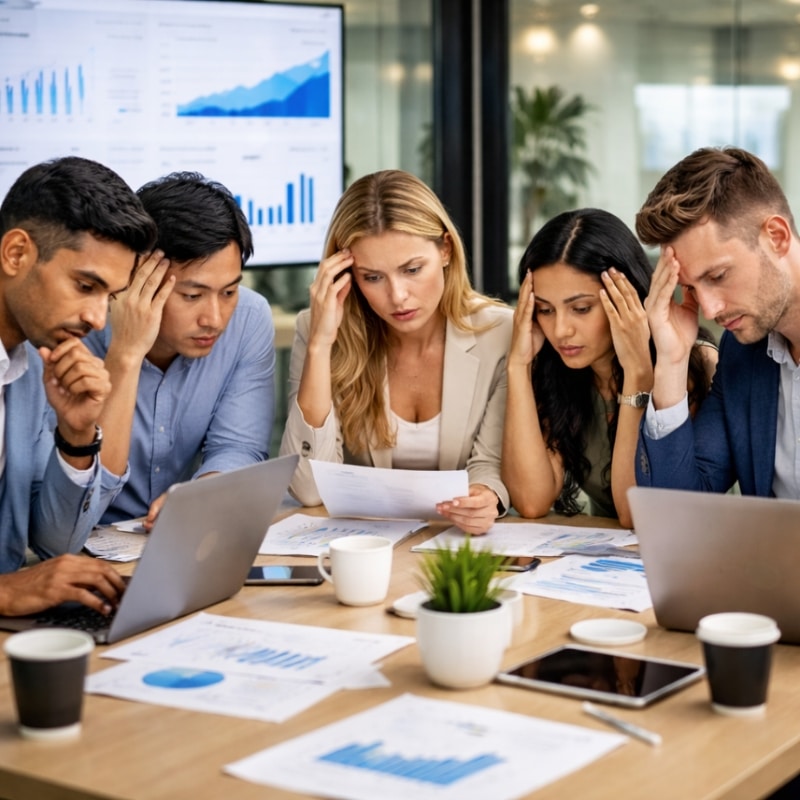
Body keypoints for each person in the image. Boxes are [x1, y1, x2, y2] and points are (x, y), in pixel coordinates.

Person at [279, 169, 513, 535]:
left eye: (412, 269)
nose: (398, 296)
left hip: (456, 542)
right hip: (365, 548)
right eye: (373, 277)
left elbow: (488, 464)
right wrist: (321, 345)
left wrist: (484, 496)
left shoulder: (499, 333)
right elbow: (308, 488)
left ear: (446, 250)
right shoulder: (319, 331)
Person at [0, 156, 157, 616]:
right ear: (16, 254)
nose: (98, 319)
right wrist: (7, 592)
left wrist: (76, 437)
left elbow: (56, 545)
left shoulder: (34, 364)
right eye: (85, 285)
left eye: (109, 296)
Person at [84, 172, 276, 528]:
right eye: (192, 295)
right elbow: (71, 510)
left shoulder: (248, 319)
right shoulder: (79, 331)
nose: (214, 319)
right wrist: (125, 355)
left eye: (229, 291)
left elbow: (239, 447)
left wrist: (201, 496)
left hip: (176, 540)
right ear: (137, 278)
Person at [503, 208, 716, 527]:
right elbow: (531, 501)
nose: (561, 330)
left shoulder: (690, 364)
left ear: (626, 298)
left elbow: (636, 513)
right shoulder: (559, 370)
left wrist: (638, 373)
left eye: (581, 308)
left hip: (696, 551)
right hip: (607, 561)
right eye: (545, 310)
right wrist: (518, 366)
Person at [634, 146, 800, 497]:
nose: (708, 310)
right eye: (691, 288)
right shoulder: (744, 354)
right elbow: (677, 510)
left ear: (777, 237)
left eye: (719, 275)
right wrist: (673, 361)